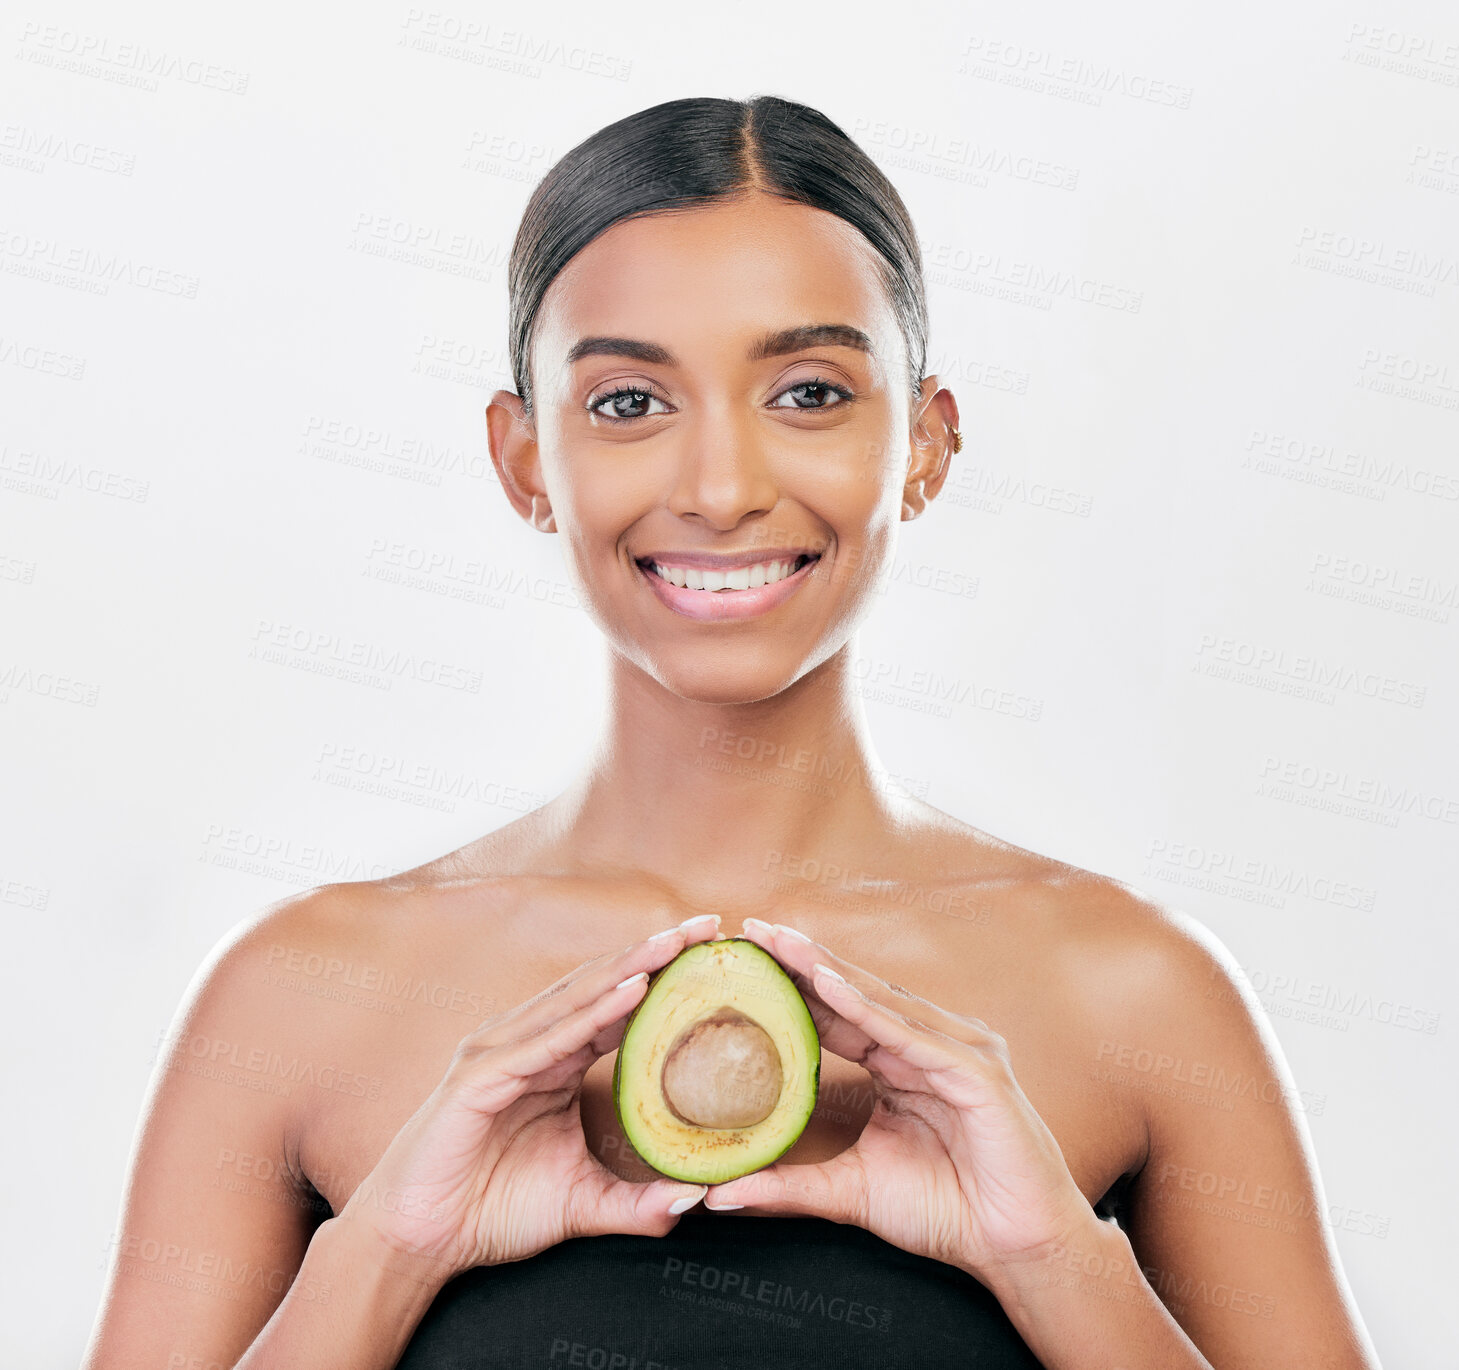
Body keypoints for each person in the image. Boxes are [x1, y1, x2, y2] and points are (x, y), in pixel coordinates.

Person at [81, 94, 1383, 1370]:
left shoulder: (1139, 991)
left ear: (925, 444)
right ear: (524, 456)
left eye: (809, 391)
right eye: (631, 403)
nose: (721, 488)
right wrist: (387, 1250)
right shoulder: (300, 992)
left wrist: (1055, 1259)